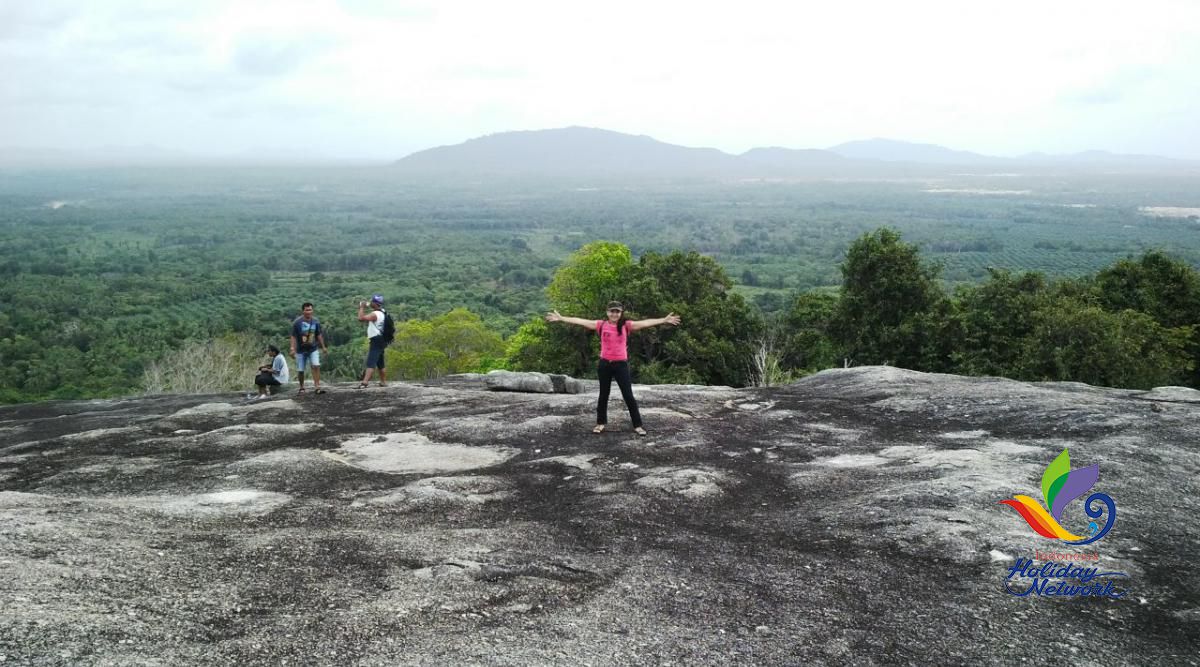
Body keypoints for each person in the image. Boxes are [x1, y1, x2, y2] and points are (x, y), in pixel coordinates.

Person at [545, 301, 680, 435]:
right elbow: (580, 321)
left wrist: (664, 320)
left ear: (621, 313)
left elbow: (645, 323)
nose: (614, 314)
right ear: (607, 312)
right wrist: (562, 318)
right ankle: (600, 423)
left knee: (628, 395)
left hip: (621, 365)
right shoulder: (601, 325)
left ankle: (637, 425)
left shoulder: (626, 326)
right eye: (612, 311)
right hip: (605, 364)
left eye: (617, 311)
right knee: (604, 394)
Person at [290, 302, 327, 394]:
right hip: (300, 350)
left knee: (316, 365)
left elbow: (318, 335)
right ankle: (302, 387)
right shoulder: (297, 322)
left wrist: (323, 347)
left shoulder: (316, 321)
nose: (308, 311)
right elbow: (293, 336)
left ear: (312, 310)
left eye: (310, 309)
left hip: (313, 348)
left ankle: (317, 386)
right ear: (303, 311)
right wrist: (292, 348)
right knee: (301, 370)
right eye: (306, 310)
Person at [356, 294, 388, 388]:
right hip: (382, 339)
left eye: (372, 301)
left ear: (375, 303)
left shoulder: (375, 314)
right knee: (380, 362)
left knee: (371, 361)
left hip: (376, 339)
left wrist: (362, 307)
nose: (370, 302)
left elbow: (361, 318)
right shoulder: (383, 312)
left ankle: (365, 382)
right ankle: (383, 382)